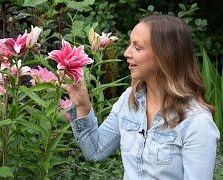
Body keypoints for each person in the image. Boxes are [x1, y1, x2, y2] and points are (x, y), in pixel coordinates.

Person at [65, 14, 220, 179]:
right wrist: (83, 106)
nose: (126, 53)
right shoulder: (129, 100)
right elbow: (95, 150)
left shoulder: (196, 122)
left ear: (165, 56)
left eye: (137, 48)